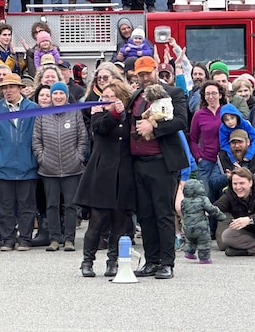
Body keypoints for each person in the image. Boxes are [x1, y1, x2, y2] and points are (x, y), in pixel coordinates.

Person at [129, 56, 188, 280]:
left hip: (162, 163)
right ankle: (151, 261)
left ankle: (167, 262)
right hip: (138, 163)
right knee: (145, 216)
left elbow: (181, 121)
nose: (145, 78)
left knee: (163, 214)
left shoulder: (172, 93)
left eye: (148, 73)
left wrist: (153, 127)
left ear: (155, 71)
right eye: (140, 74)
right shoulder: (135, 96)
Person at [74, 79, 135, 277]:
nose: (106, 100)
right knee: (97, 220)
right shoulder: (98, 114)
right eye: (104, 97)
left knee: (119, 221)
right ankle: (87, 261)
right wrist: (113, 113)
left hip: (123, 173)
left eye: (111, 97)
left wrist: (121, 114)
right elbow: (100, 130)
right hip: (102, 173)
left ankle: (113, 261)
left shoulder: (129, 116)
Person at [0, 73, 39, 251]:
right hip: (2, 166)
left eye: (11, 87)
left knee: (26, 205)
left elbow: (39, 134)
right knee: (4, 206)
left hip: (27, 165)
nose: (8, 91)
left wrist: (35, 157)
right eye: (4, 88)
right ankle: (7, 239)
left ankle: (25, 239)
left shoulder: (33, 107)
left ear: (20, 89)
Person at [32, 81, 87, 252]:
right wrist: (42, 158)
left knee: (70, 205)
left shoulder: (75, 112)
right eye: (54, 94)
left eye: (61, 93)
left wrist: (79, 157)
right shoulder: (42, 114)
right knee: (52, 205)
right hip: (49, 169)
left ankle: (69, 239)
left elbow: (82, 137)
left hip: (72, 168)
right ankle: (54, 239)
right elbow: (36, 139)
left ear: (66, 95)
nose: (58, 97)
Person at [188, 80, 229, 204]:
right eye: (207, 94)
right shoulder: (199, 114)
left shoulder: (227, 111)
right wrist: (198, 157)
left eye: (214, 93)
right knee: (206, 199)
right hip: (206, 162)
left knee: (223, 198)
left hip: (224, 161)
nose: (211, 97)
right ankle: (208, 224)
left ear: (220, 95)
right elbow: (193, 139)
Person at [180, 179, 226, 264]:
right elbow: (211, 209)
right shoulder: (203, 199)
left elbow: (183, 211)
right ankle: (204, 258)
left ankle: (189, 252)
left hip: (187, 225)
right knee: (204, 241)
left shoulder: (184, 201)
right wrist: (221, 216)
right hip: (201, 226)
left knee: (190, 240)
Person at [214, 167, 255, 256]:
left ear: (250, 182)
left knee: (230, 251)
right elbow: (218, 206)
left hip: (251, 222)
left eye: (241, 183)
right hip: (249, 232)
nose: (238, 187)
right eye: (235, 183)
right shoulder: (230, 193)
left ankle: (246, 251)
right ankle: (250, 250)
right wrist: (203, 210)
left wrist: (249, 219)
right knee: (227, 236)